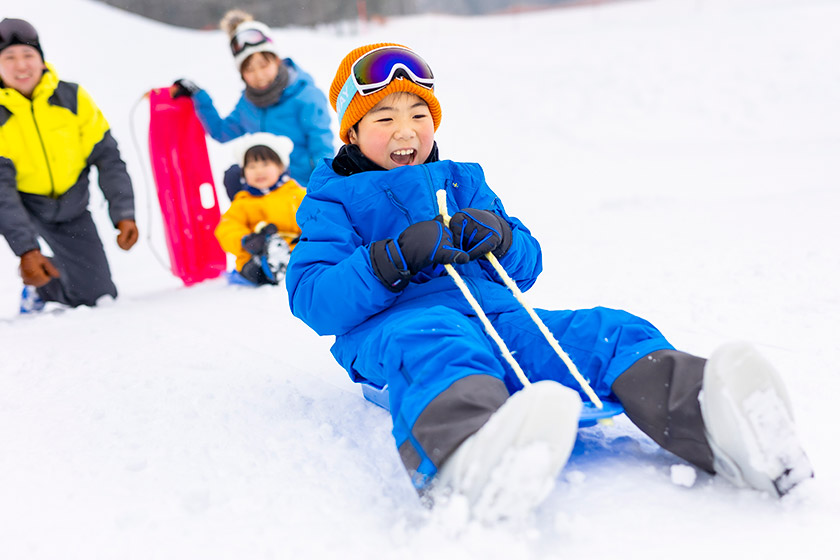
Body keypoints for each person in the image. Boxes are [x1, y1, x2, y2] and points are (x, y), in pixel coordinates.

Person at [285, 43, 813, 521]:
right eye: (384, 116)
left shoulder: (464, 180)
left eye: (419, 114)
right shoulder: (332, 200)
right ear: (351, 132)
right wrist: (390, 258)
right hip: (401, 327)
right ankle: (466, 458)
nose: (407, 130)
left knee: (607, 331)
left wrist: (501, 236)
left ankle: (719, 423)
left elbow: (527, 266)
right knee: (435, 344)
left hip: (502, 319)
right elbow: (312, 298)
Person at [0, 18, 137, 313]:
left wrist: (123, 212)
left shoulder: (72, 97)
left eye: (27, 55)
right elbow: (2, 192)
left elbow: (107, 156)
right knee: (30, 252)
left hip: (72, 204)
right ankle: (37, 271)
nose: (20, 66)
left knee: (98, 293)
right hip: (26, 206)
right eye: (8, 58)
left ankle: (45, 290)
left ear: (42, 59)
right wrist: (27, 249)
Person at [172, 9, 333, 189]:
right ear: (241, 74)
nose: (259, 75)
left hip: (301, 186)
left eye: (264, 65)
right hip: (267, 186)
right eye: (249, 69)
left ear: (277, 61)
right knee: (233, 175)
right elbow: (221, 132)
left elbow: (322, 146)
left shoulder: (306, 96)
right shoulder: (248, 105)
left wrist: (322, 188)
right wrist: (198, 95)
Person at [215, 132, 305, 286]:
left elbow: (314, 218)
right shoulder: (243, 202)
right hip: (257, 255)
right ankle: (265, 271)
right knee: (253, 268)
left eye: (265, 164)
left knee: (309, 256)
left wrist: (306, 235)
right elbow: (227, 228)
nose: (258, 171)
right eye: (251, 166)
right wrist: (246, 240)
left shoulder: (297, 195)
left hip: (295, 250)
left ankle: (287, 267)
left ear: (280, 167)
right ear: (244, 172)